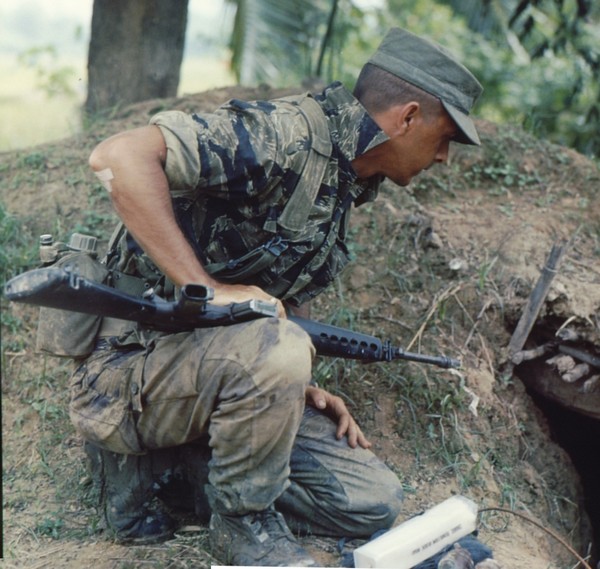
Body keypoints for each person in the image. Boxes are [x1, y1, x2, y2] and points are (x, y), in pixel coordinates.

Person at [71, 27, 482, 567]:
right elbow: (118, 156)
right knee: (281, 351)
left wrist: (297, 381)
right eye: (445, 136)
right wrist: (210, 292)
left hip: (209, 373)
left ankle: (187, 474)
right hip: (125, 374)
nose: (445, 156)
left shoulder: (343, 176)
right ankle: (240, 528)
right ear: (406, 118)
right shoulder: (283, 135)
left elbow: (281, 298)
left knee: (370, 502)